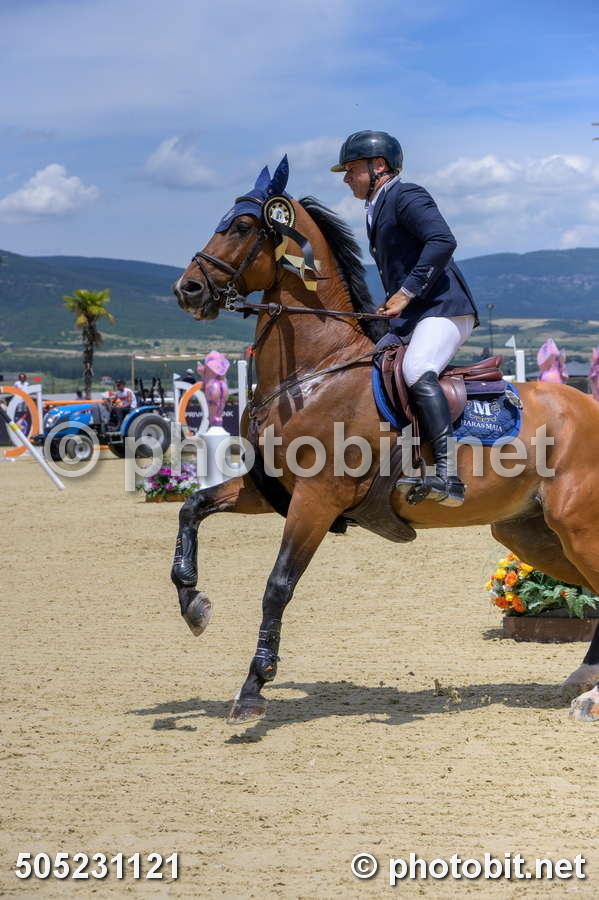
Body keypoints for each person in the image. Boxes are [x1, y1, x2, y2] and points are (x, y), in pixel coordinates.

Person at [332, 130, 479, 506]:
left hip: (444, 309)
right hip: (414, 317)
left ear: (378, 166)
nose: (346, 178)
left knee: (416, 370)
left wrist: (405, 292)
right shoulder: (376, 206)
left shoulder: (406, 195)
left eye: (351, 169)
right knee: (367, 365)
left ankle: (448, 475)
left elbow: (442, 241)